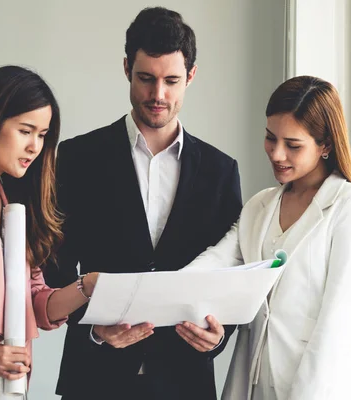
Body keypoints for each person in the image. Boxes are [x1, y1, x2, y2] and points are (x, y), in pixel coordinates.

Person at [43, 6, 242, 400]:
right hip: (93, 378)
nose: (158, 95)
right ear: (125, 68)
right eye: (146, 79)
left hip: (185, 381)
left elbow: (232, 269)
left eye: (172, 80)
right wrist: (93, 327)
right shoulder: (76, 158)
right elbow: (54, 267)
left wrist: (219, 336)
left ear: (192, 75)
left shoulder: (221, 170)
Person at [180, 76, 351, 400]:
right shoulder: (260, 205)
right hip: (251, 384)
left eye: (293, 145)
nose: (277, 154)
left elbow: (336, 321)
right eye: (271, 138)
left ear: (325, 145)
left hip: (313, 387)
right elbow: (218, 259)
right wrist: (160, 292)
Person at [0, 65, 99, 399]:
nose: (35, 146)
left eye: (43, 134)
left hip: (3, 386)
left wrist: (89, 286)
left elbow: (35, 302)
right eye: (25, 131)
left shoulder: (14, 207)